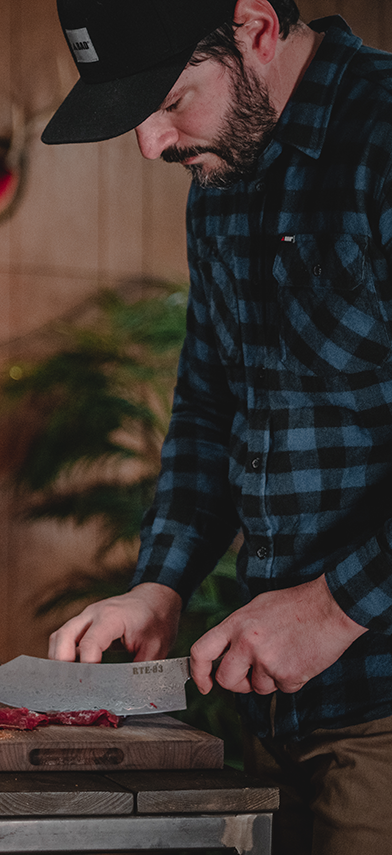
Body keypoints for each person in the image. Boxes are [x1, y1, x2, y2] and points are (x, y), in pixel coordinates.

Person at [40, 1, 392, 852]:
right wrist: (158, 584)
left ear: (256, 30)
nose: (151, 143)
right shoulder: (222, 177)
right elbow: (208, 409)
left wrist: (335, 606)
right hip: (272, 711)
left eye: (170, 100)